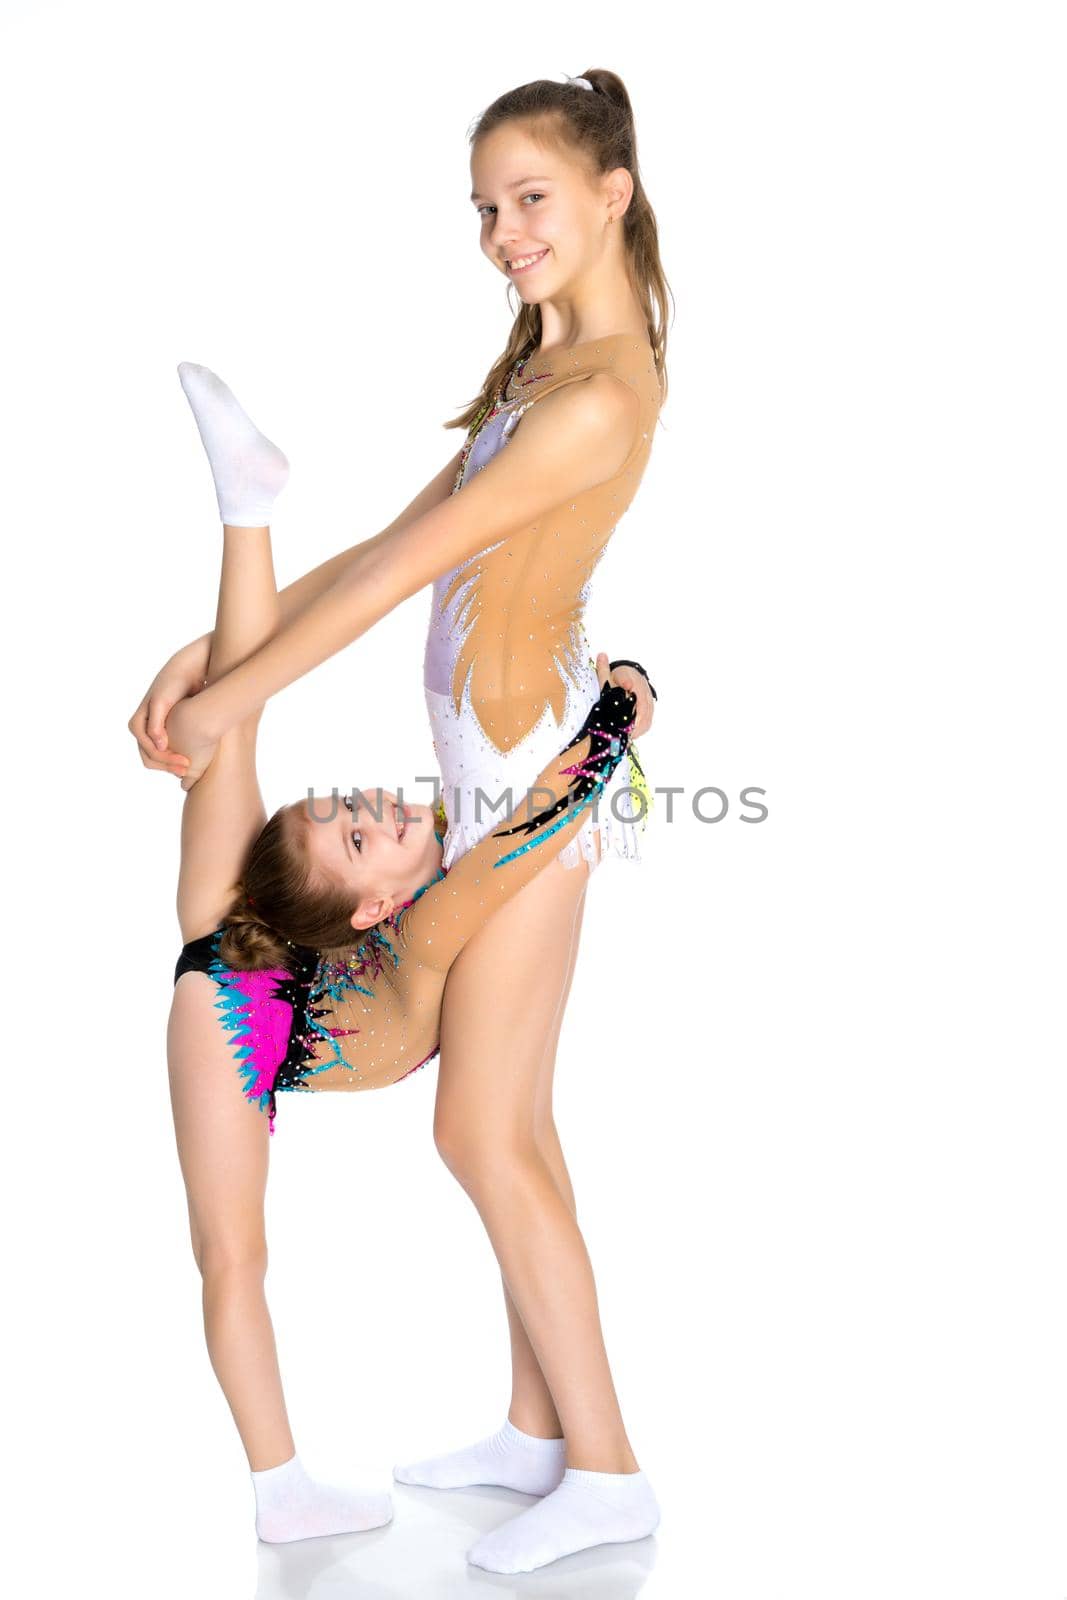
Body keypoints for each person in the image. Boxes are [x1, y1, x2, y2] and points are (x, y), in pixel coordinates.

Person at [133, 66, 669, 1575]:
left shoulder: (602, 396)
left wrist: (236, 704)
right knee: (508, 1123)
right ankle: (535, 1428)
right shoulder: (537, 376)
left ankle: (609, 1471)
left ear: (610, 195)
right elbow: (382, 548)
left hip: (524, 793)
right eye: (486, 209)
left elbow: (386, 589)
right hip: (492, 773)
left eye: (531, 199)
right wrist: (217, 657)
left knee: (480, 1128)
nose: (502, 231)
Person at [158, 395, 641, 1544]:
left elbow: (472, 815)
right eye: (362, 833)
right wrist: (627, 700)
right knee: (235, 1253)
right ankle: (283, 1492)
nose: (377, 805)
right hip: (224, 1013)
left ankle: (247, 506)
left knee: (229, 726)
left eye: (348, 808)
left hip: (251, 930)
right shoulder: (418, 927)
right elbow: (532, 824)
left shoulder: (395, 871)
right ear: (379, 903)